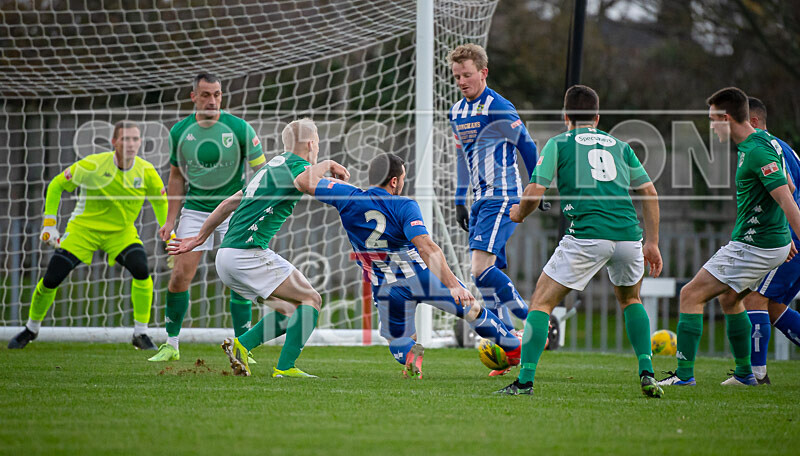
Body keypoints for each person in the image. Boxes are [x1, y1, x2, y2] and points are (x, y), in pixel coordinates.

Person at [496, 85, 664, 397]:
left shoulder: (560, 143)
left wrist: (520, 213)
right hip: (629, 236)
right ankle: (647, 373)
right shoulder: (620, 145)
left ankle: (524, 381)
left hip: (587, 234)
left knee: (542, 302)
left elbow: (535, 192)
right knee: (630, 299)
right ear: (597, 117)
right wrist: (652, 242)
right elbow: (650, 193)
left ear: (566, 116)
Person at [298, 152, 522, 379]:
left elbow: (304, 182)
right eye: (403, 178)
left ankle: (408, 355)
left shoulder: (347, 196)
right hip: (421, 277)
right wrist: (454, 285)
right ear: (394, 181)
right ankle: (514, 348)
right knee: (472, 309)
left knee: (398, 339)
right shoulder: (405, 205)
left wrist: (326, 164)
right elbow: (426, 247)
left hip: (387, 287)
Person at [169, 118, 340, 378]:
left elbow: (228, 203)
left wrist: (199, 238)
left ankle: (243, 344)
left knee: (292, 310)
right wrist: (326, 165)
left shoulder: (270, 167)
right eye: (317, 141)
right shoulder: (298, 167)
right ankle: (285, 368)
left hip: (226, 258)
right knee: (312, 299)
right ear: (312, 143)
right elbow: (307, 183)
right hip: (246, 254)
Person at [659, 87, 800, 387]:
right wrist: (784, 236)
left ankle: (684, 377)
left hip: (755, 245)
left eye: (712, 120)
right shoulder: (762, 141)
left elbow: (788, 201)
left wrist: (787, 235)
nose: (710, 127)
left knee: (690, 296)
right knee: (730, 297)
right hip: (768, 242)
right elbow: (787, 184)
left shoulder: (757, 150)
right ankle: (746, 374)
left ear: (726, 118)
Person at [8, 121, 167, 350]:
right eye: (125, 139)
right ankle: (31, 329)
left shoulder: (147, 171)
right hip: (84, 230)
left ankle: (141, 334)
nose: (131, 144)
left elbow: (160, 202)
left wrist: (166, 230)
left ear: (141, 142)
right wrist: (50, 224)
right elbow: (56, 185)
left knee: (141, 268)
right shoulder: (92, 165)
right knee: (52, 277)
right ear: (114, 142)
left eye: (135, 139)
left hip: (121, 234)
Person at [149, 72, 266, 362]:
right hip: (196, 210)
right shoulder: (179, 132)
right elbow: (176, 178)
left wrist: (256, 210)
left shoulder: (239, 128)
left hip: (233, 212)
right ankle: (171, 345)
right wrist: (169, 220)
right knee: (179, 276)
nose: (212, 100)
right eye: (206, 95)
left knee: (240, 277)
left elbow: (262, 172)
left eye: (217, 94)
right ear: (193, 97)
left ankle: (242, 348)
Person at [447, 43, 542, 330]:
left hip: (502, 196)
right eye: (457, 77)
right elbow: (463, 157)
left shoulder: (498, 106)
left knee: (479, 270)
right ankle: (508, 342)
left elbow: (527, 147)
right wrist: (459, 200)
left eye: (467, 75)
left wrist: (537, 187)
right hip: (479, 200)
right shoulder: (457, 112)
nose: (462, 82)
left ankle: (534, 320)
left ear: (483, 72)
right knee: (490, 273)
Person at [741, 96, 800, 384]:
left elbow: (784, 192)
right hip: (793, 235)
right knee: (774, 306)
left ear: (753, 122)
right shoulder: (785, 148)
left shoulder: (766, 147)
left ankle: (754, 375)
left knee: (754, 297)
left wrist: (788, 235)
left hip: (791, 237)